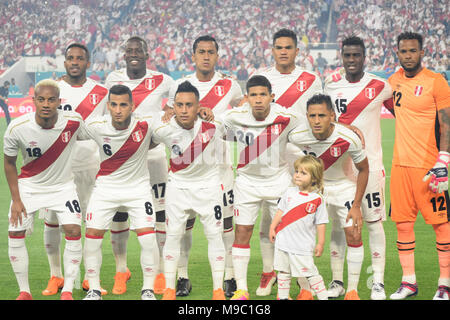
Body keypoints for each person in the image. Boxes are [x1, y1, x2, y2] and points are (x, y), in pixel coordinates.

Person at [165, 35, 243, 298]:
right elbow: (168, 117)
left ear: (217, 55)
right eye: (201, 51)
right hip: (186, 167)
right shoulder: (180, 85)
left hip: (219, 167)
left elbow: (240, 117)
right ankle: (182, 276)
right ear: (193, 55)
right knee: (183, 226)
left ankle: (229, 275)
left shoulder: (230, 85)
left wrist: (215, 118)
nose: (206, 56)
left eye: (211, 52)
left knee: (226, 224)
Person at [251, 29, 322, 298]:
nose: (283, 51)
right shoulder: (261, 78)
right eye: (279, 47)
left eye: (288, 47)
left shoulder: (311, 79)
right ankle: (271, 271)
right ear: (272, 49)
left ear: (296, 50)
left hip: (301, 157)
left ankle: (303, 281)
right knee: (271, 219)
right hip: (270, 156)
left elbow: (321, 112)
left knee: (302, 222)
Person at [323, 36, 393, 300]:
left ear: (364, 57)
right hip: (339, 170)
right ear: (342, 57)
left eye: (356, 55)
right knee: (340, 227)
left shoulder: (380, 85)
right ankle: (338, 281)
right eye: (347, 55)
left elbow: (400, 111)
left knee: (374, 224)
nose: (351, 60)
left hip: (371, 169)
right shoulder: (331, 85)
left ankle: (378, 282)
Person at [104, 36, 174, 295]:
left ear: (147, 54)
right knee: (119, 213)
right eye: (129, 50)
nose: (133, 54)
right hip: (122, 158)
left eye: (138, 50)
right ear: (124, 55)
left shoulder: (163, 80)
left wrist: (171, 110)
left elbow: (181, 99)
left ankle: (158, 271)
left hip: (153, 155)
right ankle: (122, 269)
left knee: (158, 213)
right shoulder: (113, 79)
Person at [4, 79, 85, 300]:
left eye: (51, 99)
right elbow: (9, 163)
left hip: (63, 187)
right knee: (15, 232)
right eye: (41, 99)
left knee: (74, 231)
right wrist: (16, 199)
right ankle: (25, 291)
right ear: (34, 101)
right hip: (29, 187)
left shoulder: (74, 122)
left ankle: (67, 290)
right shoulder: (17, 127)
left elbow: (93, 135)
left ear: (59, 101)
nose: (46, 104)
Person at [222, 75, 300, 300]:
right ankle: (242, 289)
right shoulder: (233, 117)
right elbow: (211, 125)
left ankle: (280, 283)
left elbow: (316, 125)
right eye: (253, 95)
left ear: (271, 97)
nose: (258, 100)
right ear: (246, 98)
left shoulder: (288, 116)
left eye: (262, 95)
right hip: (247, 183)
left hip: (279, 183)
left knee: (282, 233)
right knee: (242, 232)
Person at [41, 43, 109, 297]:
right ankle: (55, 275)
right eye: (70, 58)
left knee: (93, 224)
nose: (75, 62)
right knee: (53, 221)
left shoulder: (102, 92)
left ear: (88, 63)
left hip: (91, 166)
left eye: (80, 58)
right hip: (59, 166)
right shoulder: (53, 89)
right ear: (65, 61)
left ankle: (92, 278)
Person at [388, 32, 450, 300]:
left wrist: (444, 159)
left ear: (422, 52)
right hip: (399, 167)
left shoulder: (436, 82)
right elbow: (395, 110)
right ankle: (409, 282)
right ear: (397, 53)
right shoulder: (392, 81)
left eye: (413, 51)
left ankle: (445, 285)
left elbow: (446, 123)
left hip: (427, 167)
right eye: (403, 51)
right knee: (403, 224)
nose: (408, 56)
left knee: (442, 225)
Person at [288, 94, 369, 300]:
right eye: (312, 115)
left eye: (322, 115)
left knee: (353, 234)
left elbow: (364, 169)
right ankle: (306, 289)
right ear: (306, 116)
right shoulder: (297, 135)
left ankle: (352, 290)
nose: (316, 120)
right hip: (315, 188)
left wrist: (357, 205)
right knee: (301, 236)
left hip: (343, 187)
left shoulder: (349, 138)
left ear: (332, 115)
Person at [82, 84, 159, 300]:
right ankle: (94, 289)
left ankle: (148, 290)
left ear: (132, 106)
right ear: (107, 106)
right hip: (106, 187)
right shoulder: (96, 125)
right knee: (93, 236)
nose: (118, 110)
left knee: (147, 238)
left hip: (138, 189)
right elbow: (69, 130)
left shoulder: (145, 125)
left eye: (123, 105)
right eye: (113, 105)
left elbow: (172, 126)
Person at [153, 81, 227, 300]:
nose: (184, 110)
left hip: (209, 187)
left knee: (215, 236)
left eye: (189, 105)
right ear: (172, 106)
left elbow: (240, 132)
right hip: (178, 188)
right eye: (179, 105)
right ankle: (169, 289)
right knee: (173, 236)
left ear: (198, 106)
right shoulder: (162, 129)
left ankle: (218, 290)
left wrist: (211, 114)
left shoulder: (215, 125)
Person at [269, 155, 329, 300]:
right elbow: (280, 211)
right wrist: (272, 227)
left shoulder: (317, 199)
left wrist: (320, 243)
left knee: (311, 273)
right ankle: (282, 297)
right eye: (296, 171)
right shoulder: (289, 192)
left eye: (303, 173)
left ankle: (323, 296)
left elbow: (321, 223)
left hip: (301, 245)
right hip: (283, 242)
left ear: (314, 178)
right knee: (283, 272)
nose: (297, 175)